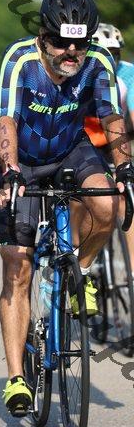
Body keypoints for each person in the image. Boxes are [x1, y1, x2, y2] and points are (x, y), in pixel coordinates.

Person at [0, 0, 134, 417]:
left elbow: (111, 117)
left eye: (80, 43)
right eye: (61, 42)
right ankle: (17, 378)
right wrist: (10, 170)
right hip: (23, 158)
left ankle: (80, 273)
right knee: (18, 267)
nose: (72, 51)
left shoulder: (98, 61)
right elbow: (6, 119)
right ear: (43, 36)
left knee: (108, 206)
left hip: (72, 150)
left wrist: (125, 169)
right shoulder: (20, 60)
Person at [84, 23, 134, 277]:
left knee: (128, 198)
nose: (110, 60)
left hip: (116, 142)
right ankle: (79, 255)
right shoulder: (78, 74)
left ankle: (133, 271)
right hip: (84, 143)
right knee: (80, 196)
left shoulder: (128, 75)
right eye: (104, 53)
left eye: (115, 54)